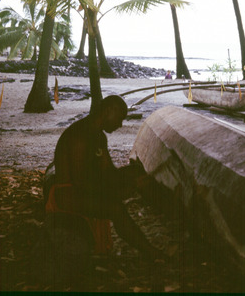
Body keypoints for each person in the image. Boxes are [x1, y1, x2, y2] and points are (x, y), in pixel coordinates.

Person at [46, 95, 164, 261]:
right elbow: (79, 182)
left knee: (136, 172)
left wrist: (133, 179)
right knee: (115, 209)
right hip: (67, 194)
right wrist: (120, 191)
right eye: (120, 118)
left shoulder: (99, 137)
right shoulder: (80, 135)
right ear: (109, 110)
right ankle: (150, 252)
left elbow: (109, 171)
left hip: (83, 186)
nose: (120, 124)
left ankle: (173, 214)